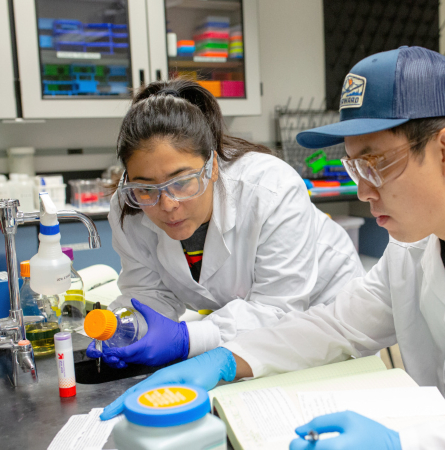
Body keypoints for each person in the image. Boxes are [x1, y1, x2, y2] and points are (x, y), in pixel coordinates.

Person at [100, 47, 445, 449]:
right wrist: (225, 358)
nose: (363, 191)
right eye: (354, 167)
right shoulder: (415, 250)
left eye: (376, 164)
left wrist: (407, 443)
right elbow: (335, 326)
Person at [86, 78, 364, 368]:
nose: (167, 204)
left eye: (181, 182)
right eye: (145, 187)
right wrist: (128, 331)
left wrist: (185, 338)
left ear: (213, 166)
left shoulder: (271, 188)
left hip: (325, 309)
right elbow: (148, 296)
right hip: (244, 321)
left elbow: (276, 310)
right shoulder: (129, 205)